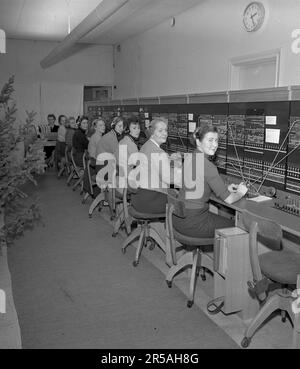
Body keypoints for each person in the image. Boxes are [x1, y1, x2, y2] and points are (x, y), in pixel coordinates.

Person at [172, 123, 248, 238]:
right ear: (198, 142)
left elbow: (198, 186)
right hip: (195, 224)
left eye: (216, 141)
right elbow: (229, 199)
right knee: (240, 229)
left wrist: (223, 189)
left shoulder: (189, 157)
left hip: (178, 219)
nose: (215, 145)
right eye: (210, 140)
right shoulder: (208, 166)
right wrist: (241, 192)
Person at [129, 117, 182, 214]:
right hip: (149, 202)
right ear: (152, 133)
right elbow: (170, 179)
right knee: (181, 201)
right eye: (160, 130)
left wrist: (167, 159)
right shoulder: (158, 152)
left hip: (138, 197)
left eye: (166, 130)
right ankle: (172, 227)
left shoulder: (146, 145)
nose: (165, 133)